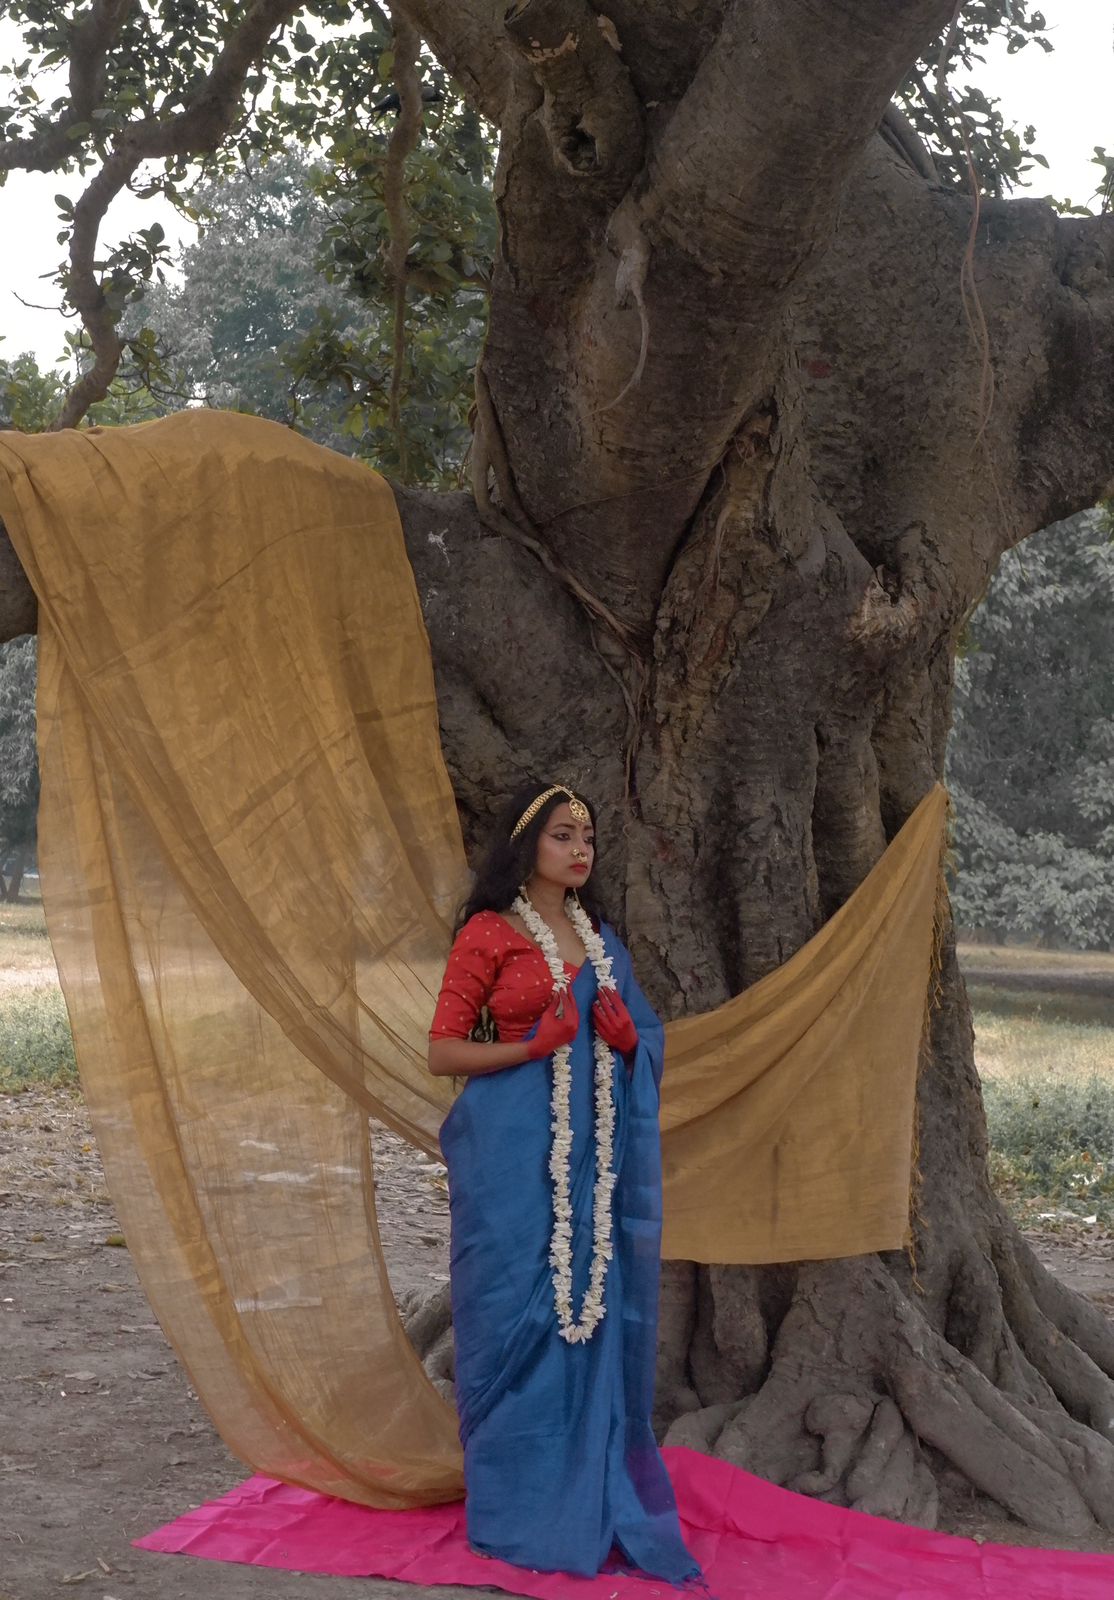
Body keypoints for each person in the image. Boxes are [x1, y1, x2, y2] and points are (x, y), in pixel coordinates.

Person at [428, 781, 700, 1584]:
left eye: (587, 836)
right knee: (506, 1310)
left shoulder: (601, 940)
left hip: (592, 1163)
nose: (580, 849)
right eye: (561, 835)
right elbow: (442, 1052)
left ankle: (581, 1491)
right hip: (507, 1156)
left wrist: (625, 1042)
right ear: (525, 847)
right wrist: (532, 1045)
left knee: (583, 1314)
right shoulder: (489, 933)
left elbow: (641, 1037)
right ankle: (512, 1506)